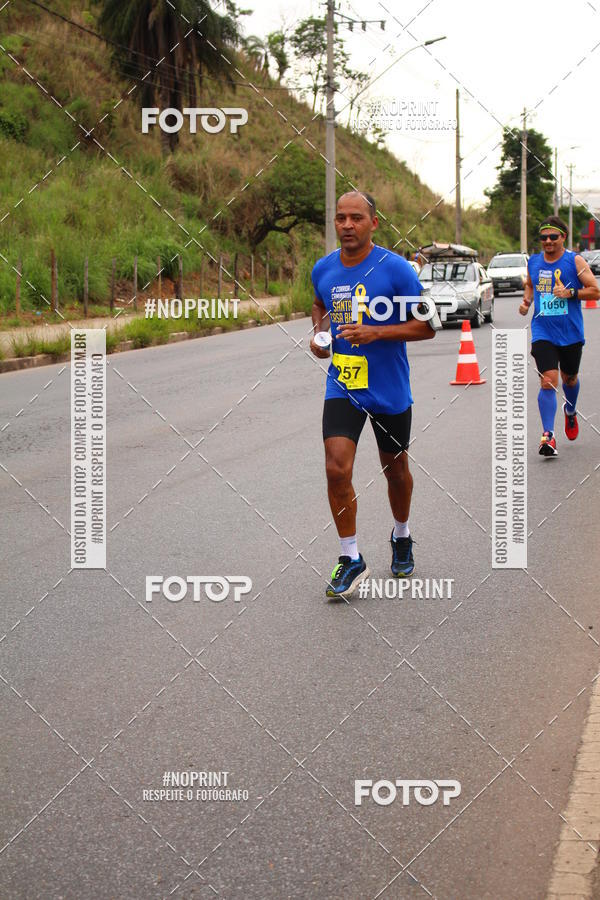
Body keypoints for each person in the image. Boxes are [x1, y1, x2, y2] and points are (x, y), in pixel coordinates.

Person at [310, 191, 436, 599]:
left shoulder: (396, 270)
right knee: (335, 469)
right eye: (341, 218)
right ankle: (351, 557)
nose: (347, 225)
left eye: (356, 218)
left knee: (395, 470)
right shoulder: (323, 269)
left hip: (388, 387)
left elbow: (427, 326)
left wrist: (376, 331)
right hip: (344, 383)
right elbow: (319, 304)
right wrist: (319, 333)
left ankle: (401, 534)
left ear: (373, 223)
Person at [519, 216, 600, 456]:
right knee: (548, 380)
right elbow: (531, 285)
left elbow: (595, 290)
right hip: (542, 331)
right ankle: (548, 436)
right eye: (543, 237)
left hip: (570, 332)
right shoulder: (533, 262)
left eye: (553, 236)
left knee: (570, 378)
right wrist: (526, 302)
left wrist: (570, 292)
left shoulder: (574, 261)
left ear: (563, 237)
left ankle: (571, 411)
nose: (548, 241)